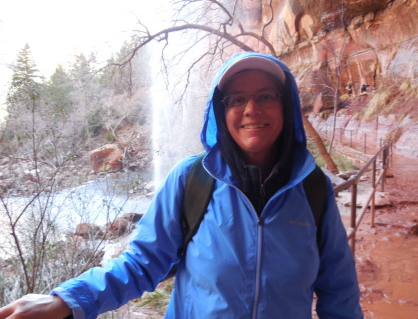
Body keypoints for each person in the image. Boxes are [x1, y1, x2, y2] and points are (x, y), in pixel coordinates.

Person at [0, 52, 363, 319]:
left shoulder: (312, 187)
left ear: (285, 107)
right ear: (221, 114)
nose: (251, 108)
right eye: (237, 99)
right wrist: (66, 300)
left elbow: (338, 288)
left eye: (266, 96)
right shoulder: (193, 180)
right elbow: (142, 263)